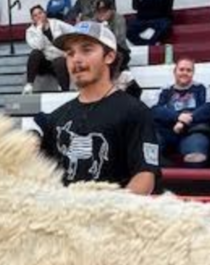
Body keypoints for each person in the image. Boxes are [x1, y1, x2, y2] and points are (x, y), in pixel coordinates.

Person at [39, 21, 160, 195]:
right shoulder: (58, 117)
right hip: (66, 217)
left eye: (86, 50)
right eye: (70, 53)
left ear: (109, 56)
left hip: (111, 217)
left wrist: (109, 216)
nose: (76, 59)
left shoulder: (134, 111)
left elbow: (145, 175)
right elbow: (43, 174)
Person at [151, 57, 210, 166]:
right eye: (181, 69)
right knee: (148, 148)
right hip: (166, 131)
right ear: (175, 71)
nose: (184, 73)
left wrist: (186, 120)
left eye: (188, 70)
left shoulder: (201, 88)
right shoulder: (165, 89)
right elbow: (154, 110)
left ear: (193, 73)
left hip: (193, 131)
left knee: (196, 158)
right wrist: (177, 117)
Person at [23, 5, 70, 93]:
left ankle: (65, 90)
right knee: (35, 53)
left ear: (45, 13)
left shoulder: (56, 23)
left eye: (40, 13)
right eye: (35, 15)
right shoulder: (30, 32)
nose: (38, 16)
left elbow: (72, 30)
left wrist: (69, 50)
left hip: (59, 59)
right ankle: (29, 84)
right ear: (32, 19)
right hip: (44, 63)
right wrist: (39, 29)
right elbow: (40, 46)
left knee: (59, 61)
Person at [94, 0, 131, 71]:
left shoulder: (119, 19)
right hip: (100, 49)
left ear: (111, 10)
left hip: (119, 48)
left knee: (119, 55)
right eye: (99, 12)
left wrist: (106, 28)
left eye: (105, 11)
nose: (102, 14)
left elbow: (119, 39)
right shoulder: (94, 20)